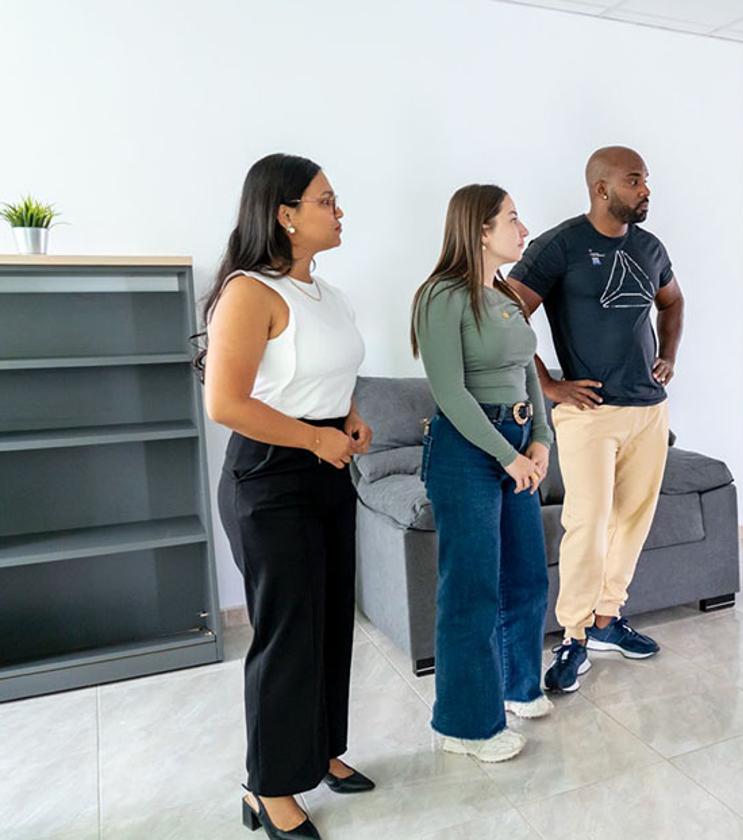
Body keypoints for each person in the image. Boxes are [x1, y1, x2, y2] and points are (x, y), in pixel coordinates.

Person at [201, 153, 375, 840]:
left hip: (327, 467)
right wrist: (313, 439)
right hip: (270, 478)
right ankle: (267, 787)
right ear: (285, 214)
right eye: (326, 200)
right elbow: (226, 403)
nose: (338, 211)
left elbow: (338, 370)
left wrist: (352, 415)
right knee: (286, 635)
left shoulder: (327, 295)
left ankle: (322, 750)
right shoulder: (249, 293)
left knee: (331, 620)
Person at [506, 146, 684, 693]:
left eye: (647, 180)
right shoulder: (559, 246)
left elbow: (672, 302)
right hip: (587, 415)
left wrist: (670, 356)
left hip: (647, 411)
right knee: (586, 523)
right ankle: (574, 637)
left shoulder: (650, 246)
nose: (646, 190)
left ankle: (608, 620)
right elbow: (505, 312)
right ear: (602, 189)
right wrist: (549, 383)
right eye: (635, 181)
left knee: (631, 519)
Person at [412, 184, 555, 763]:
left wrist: (540, 440)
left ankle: (517, 687)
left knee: (527, 576)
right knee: (471, 590)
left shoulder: (505, 296)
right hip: (468, 451)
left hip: (517, 441)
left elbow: (527, 374)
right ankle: (464, 725)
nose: (523, 229)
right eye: (513, 219)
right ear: (479, 231)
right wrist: (508, 455)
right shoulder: (441, 296)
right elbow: (449, 392)